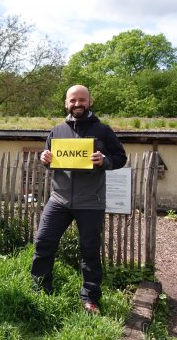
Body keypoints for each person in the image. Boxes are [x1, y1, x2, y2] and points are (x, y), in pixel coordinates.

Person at [31, 84, 127, 314]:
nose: (77, 104)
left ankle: (90, 299)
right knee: (43, 242)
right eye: (73, 100)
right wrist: (44, 158)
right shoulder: (56, 131)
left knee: (90, 251)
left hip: (90, 202)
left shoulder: (103, 131)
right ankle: (41, 290)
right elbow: (49, 160)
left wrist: (104, 160)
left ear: (90, 101)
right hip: (59, 200)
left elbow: (120, 158)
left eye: (82, 100)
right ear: (66, 103)